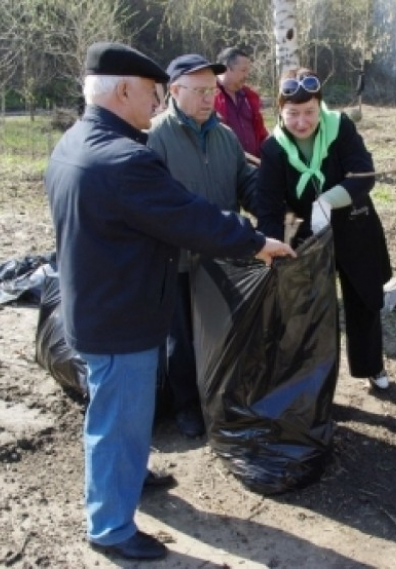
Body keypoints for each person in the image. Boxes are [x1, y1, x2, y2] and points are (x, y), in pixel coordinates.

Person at [44, 41, 294, 561]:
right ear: (125, 90)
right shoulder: (125, 158)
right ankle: (110, 527)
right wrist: (255, 242)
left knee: (119, 414)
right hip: (120, 315)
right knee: (116, 417)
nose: (156, 103)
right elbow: (187, 216)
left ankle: (127, 477)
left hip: (98, 304)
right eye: (153, 93)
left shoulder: (75, 142)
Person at [255, 68, 393, 391]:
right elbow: (268, 204)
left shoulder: (340, 128)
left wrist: (327, 201)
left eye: (309, 113)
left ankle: (371, 366)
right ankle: (320, 380)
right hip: (308, 237)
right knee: (316, 307)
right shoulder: (273, 149)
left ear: (320, 107)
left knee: (363, 300)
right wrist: (271, 243)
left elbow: (363, 175)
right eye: (293, 114)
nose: (302, 122)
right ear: (280, 110)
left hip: (355, 227)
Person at [147, 53, 259, 439]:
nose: (208, 98)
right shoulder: (155, 138)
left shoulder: (225, 136)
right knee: (180, 339)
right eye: (198, 91)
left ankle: (221, 398)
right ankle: (186, 406)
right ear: (174, 90)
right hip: (176, 261)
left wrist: (271, 197)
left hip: (222, 260)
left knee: (221, 332)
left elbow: (245, 183)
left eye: (211, 90)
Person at [214, 47, 269, 159]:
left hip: (254, 168)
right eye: (243, 70)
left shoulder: (249, 97)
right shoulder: (209, 97)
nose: (247, 75)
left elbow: (260, 133)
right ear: (227, 69)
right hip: (225, 167)